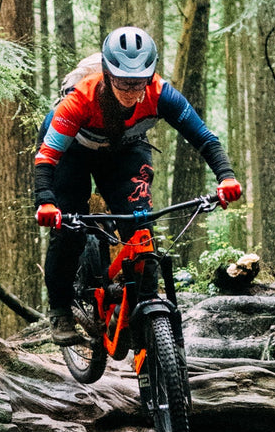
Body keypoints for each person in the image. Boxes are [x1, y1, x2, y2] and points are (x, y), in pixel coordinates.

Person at [34, 26, 242, 346]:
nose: (132, 90)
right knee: (69, 227)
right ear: (107, 73)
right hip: (70, 153)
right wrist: (46, 201)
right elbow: (47, 157)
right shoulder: (80, 100)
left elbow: (204, 138)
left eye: (139, 80)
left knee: (140, 224)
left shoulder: (161, 94)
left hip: (123, 150)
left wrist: (226, 176)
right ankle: (60, 309)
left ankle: (141, 306)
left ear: (151, 74)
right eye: (122, 81)